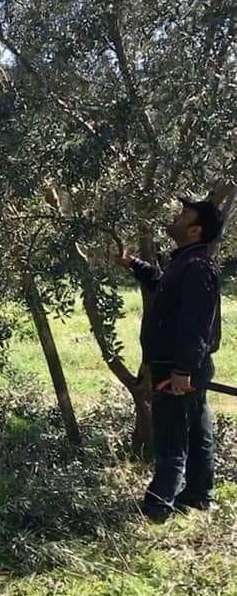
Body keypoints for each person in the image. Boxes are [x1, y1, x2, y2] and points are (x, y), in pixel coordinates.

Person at [115, 196, 223, 523]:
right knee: (197, 430)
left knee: (171, 437)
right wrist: (134, 264)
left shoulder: (197, 267)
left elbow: (195, 323)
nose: (177, 216)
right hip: (183, 366)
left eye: (184, 214)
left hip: (178, 367)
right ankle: (198, 497)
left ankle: (157, 507)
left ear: (195, 230)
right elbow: (164, 285)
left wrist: (182, 370)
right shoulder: (187, 263)